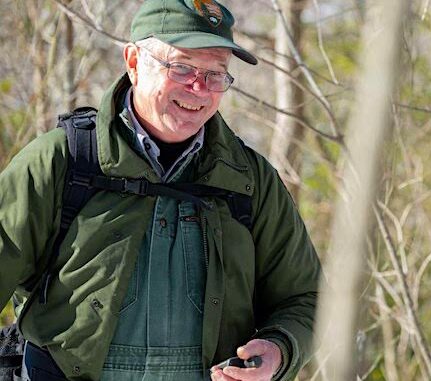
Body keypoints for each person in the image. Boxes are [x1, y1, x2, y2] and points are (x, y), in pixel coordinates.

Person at [0, 0, 322, 380]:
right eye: (182, 67)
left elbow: (307, 299)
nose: (199, 88)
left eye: (215, 74)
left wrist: (278, 350)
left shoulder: (249, 181)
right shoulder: (64, 162)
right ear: (134, 62)